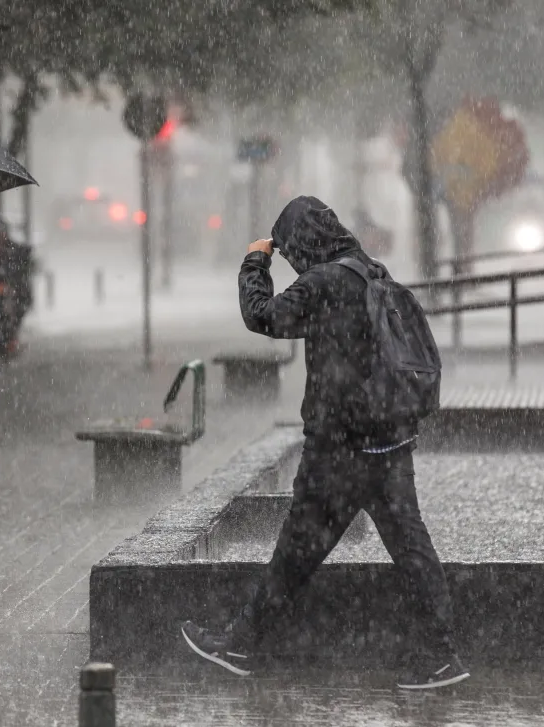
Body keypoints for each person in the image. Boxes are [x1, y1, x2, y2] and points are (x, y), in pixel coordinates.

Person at [180, 195, 467, 690]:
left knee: (294, 553)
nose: (293, 262)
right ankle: (442, 656)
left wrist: (256, 260)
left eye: (291, 252)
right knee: (413, 550)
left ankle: (240, 646)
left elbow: (262, 316)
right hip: (389, 443)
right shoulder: (369, 271)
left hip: (338, 451)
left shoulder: (323, 283)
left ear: (302, 243)